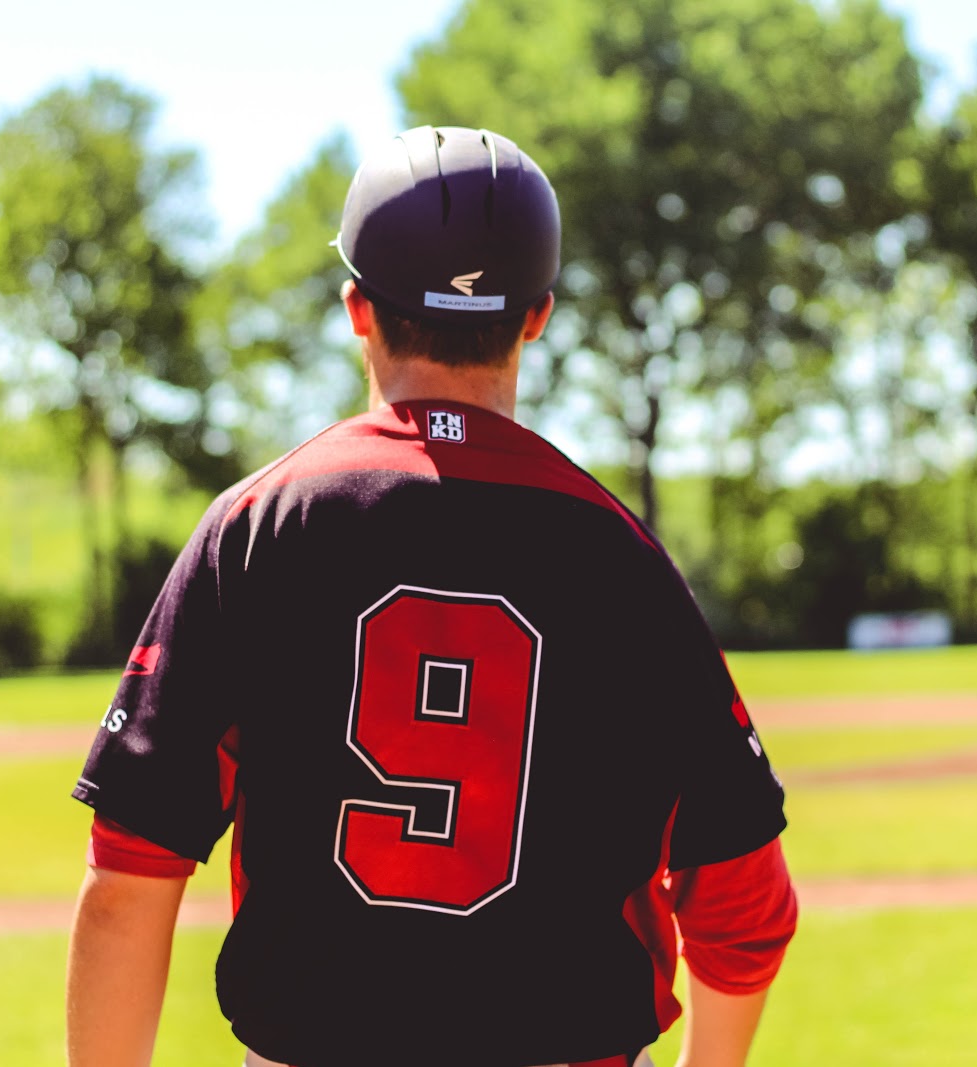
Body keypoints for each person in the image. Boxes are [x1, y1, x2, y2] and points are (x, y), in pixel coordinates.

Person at [66, 125, 797, 1067]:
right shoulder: (623, 556)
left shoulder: (259, 524)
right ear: (536, 315)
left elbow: (130, 874)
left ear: (356, 306)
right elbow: (742, 899)